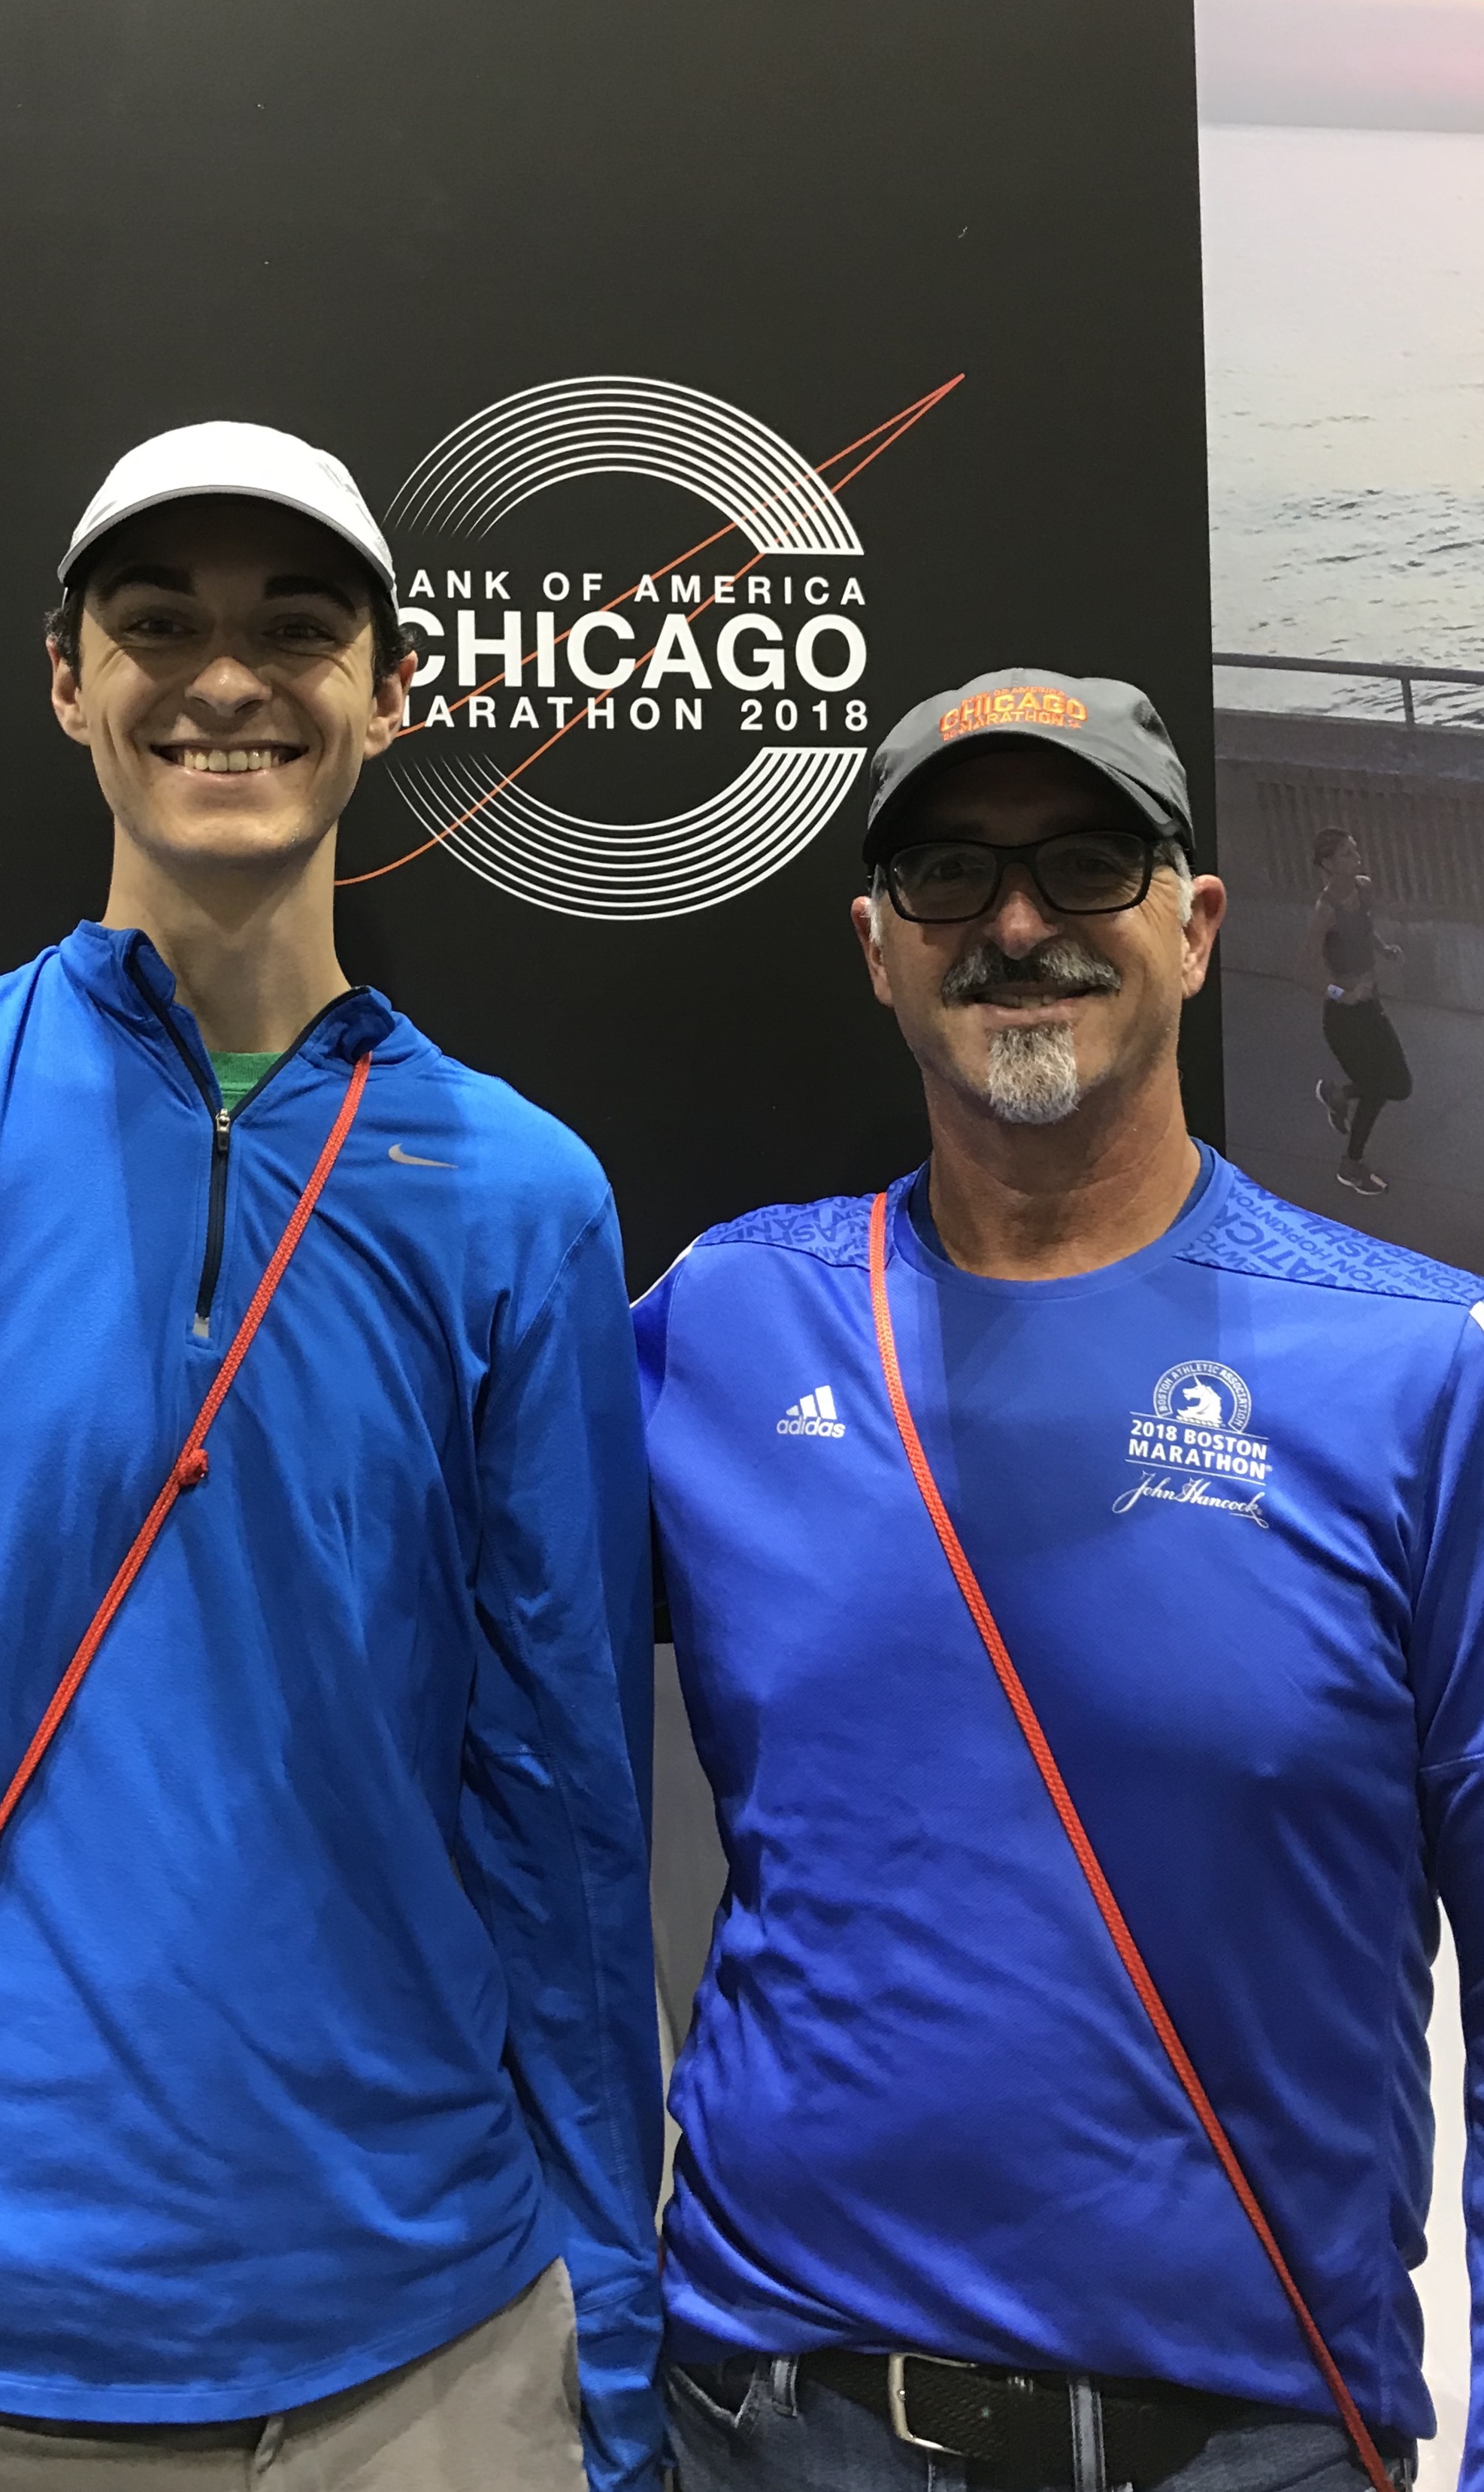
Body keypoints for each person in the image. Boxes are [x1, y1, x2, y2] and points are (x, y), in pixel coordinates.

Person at [0, 422, 663, 2492]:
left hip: (424, 2354)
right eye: (159, 624)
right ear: (66, 681)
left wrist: (606, 2357)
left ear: (390, 691)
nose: (226, 680)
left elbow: (564, 1824)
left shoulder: (520, 1197)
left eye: (297, 627)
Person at [635, 669, 1484, 2492]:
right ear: (876, 946)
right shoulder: (721, 1320)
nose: (1017, 924)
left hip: (1253, 2445)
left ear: (1197, 926)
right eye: (948, 874)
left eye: (1086, 863)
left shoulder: (1425, 1370)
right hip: (779, 2424)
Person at [1301, 825, 1410, 1197]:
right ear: (1328, 863)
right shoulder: (1325, 910)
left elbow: (1364, 929)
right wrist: (1341, 995)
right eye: (1347, 854)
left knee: (1401, 1085)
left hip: (1370, 1004)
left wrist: (1383, 949)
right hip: (1344, 1018)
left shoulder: (1364, 888)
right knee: (1378, 1087)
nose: (1357, 857)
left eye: (1355, 850)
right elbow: (1305, 969)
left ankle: (1340, 1095)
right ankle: (1352, 1165)